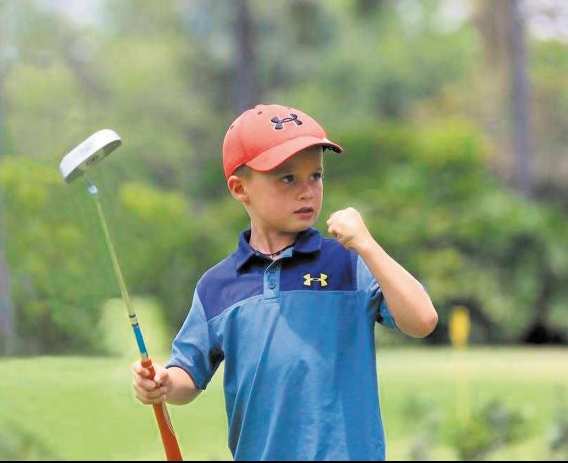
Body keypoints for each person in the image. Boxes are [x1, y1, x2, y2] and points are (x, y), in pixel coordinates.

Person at [132, 104, 438, 460]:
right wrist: (164, 384)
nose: (307, 191)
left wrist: (368, 245)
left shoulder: (349, 262)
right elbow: (188, 374)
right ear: (239, 187)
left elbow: (422, 320)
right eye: (288, 178)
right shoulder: (217, 286)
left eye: (316, 176)